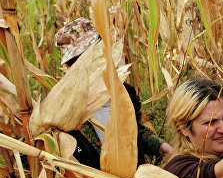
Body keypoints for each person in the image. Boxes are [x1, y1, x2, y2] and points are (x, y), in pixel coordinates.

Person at [53, 18, 173, 170]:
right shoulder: (60, 107)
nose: (85, 65)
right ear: (69, 67)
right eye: (76, 61)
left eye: (91, 56)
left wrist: (161, 147)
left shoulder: (126, 93)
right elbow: (34, 150)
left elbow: (136, 131)